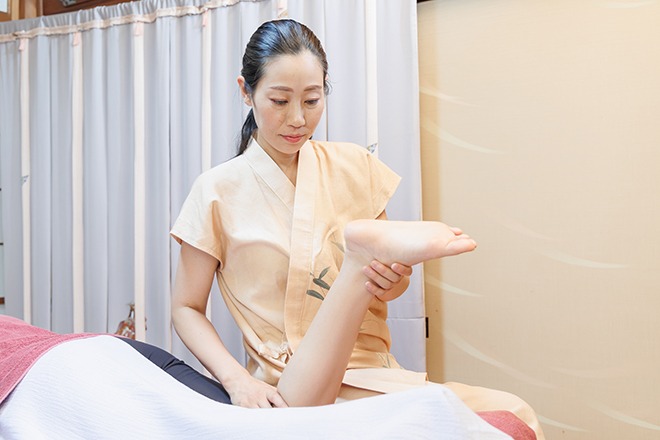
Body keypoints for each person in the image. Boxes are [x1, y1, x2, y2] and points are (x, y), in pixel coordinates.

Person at [170, 18, 544, 439]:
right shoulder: (216, 192)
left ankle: (360, 261)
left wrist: (391, 282)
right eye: (280, 101)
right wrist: (237, 381)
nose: (298, 119)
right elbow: (186, 307)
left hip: (371, 372)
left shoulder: (354, 167)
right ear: (246, 91)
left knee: (515, 413)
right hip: (287, 385)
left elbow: (393, 290)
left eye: (312, 100)